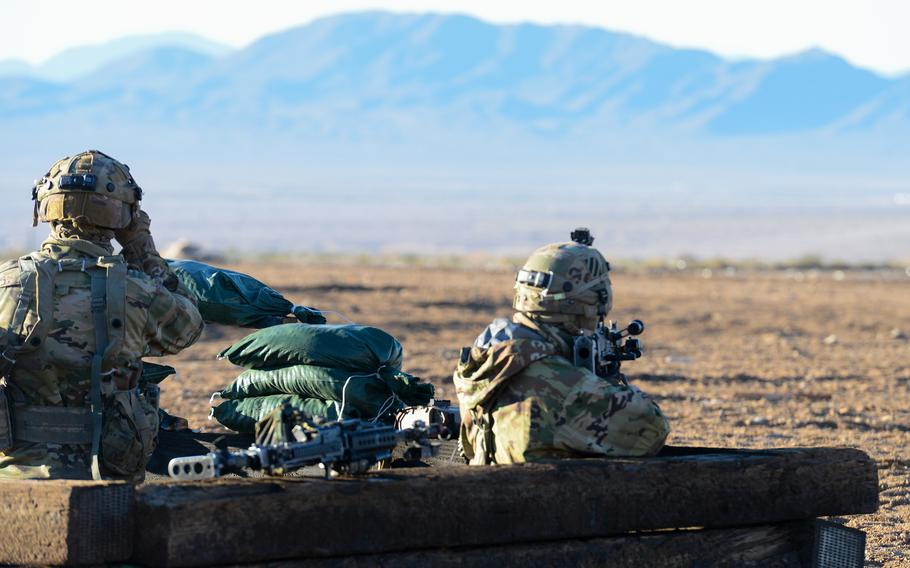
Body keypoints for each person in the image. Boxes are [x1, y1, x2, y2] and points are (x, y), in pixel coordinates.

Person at [0, 150, 204, 481]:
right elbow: (188, 327)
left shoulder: (5, 282)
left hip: (16, 479)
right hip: (107, 479)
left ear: (45, 206)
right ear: (124, 215)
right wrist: (142, 249)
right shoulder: (137, 290)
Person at [453, 229, 670, 465]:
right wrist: (606, 381)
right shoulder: (560, 383)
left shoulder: (491, 357)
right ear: (591, 303)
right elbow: (652, 430)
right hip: (546, 496)